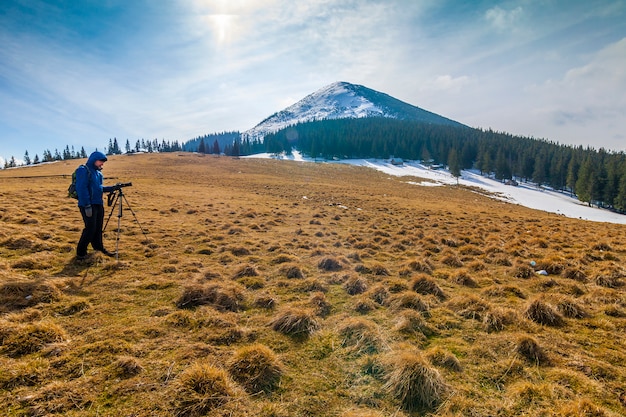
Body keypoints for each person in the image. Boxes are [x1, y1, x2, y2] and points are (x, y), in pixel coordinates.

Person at [75, 151, 116, 260]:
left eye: (103, 162)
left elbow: (99, 188)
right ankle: (81, 253)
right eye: (100, 161)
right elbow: (81, 189)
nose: (102, 164)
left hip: (98, 204)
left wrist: (112, 188)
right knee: (90, 228)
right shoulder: (83, 170)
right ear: (94, 160)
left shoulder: (98, 174)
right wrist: (87, 205)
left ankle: (98, 248)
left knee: (98, 228)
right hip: (88, 205)